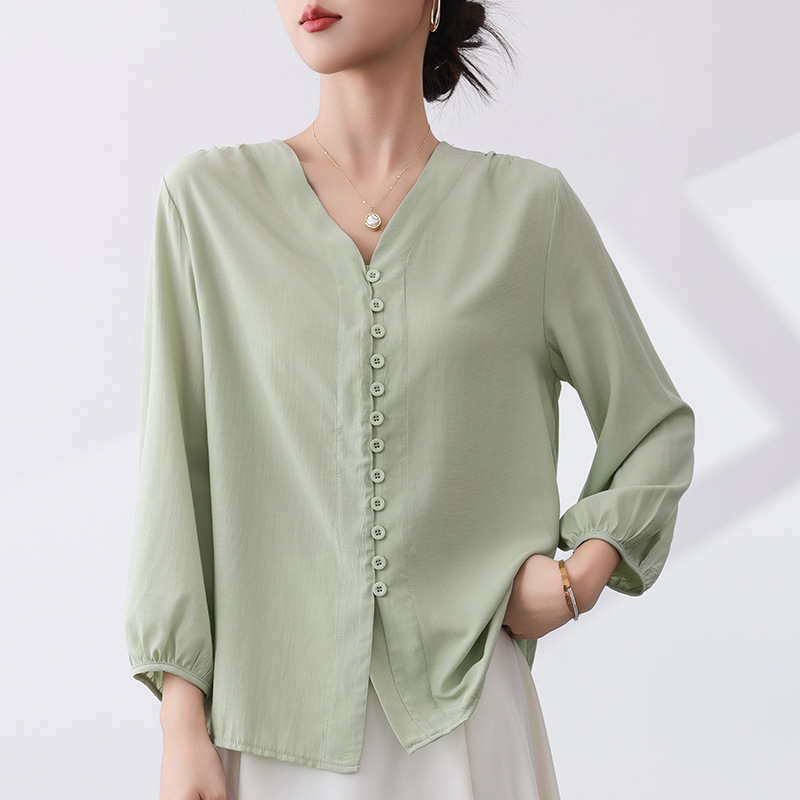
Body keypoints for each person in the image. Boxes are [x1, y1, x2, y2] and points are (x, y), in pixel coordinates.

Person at [124, 1, 696, 798]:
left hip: (470, 722)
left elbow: (654, 426)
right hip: (266, 737)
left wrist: (580, 577)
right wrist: (180, 722)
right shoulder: (207, 205)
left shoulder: (529, 211)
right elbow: (174, 474)